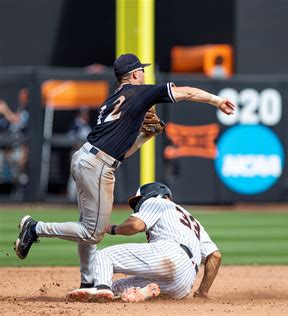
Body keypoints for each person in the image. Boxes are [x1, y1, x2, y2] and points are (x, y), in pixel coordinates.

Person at [14, 53, 234, 291]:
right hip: (98, 166)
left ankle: (88, 282)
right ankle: (35, 228)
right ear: (135, 74)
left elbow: (121, 151)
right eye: (143, 70)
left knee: (87, 226)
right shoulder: (140, 92)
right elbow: (187, 92)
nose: (145, 74)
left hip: (85, 158)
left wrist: (144, 135)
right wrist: (216, 101)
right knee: (92, 233)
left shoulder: (111, 102)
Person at [66, 182, 222, 303]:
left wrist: (112, 229)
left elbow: (135, 225)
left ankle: (101, 289)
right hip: (183, 285)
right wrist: (202, 292)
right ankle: (143, 293)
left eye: (139, 200)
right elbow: (215, 256)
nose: (138, 205)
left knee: (104, 256)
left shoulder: (156, 201)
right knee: (117, 287)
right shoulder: (193, 221)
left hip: (171, 254)